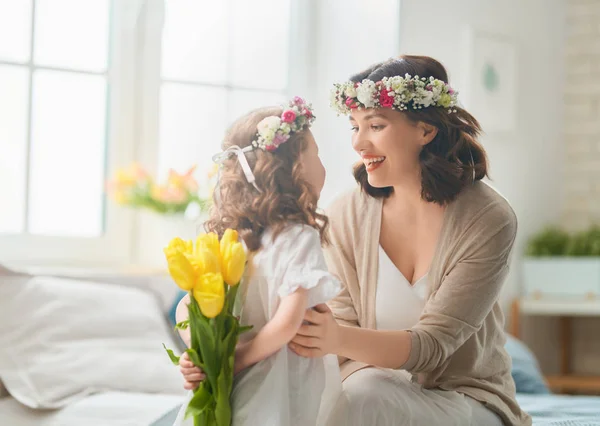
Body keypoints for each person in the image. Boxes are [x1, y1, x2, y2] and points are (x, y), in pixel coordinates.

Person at [288, 55, 531, 426]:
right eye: (354, 127)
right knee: (361, 393)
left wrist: (334, 337)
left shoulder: (488, 219)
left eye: (376, 125)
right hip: (369, 392)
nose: (359, 143)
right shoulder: (346, 215)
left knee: (366, 398)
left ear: (425, 131)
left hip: (464, 400)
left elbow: (433, 346)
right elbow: (339, 347)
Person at [173, 97, 346, 426]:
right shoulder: (297, 236)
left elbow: (187, 308)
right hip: (275, 378)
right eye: (317, 153)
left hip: (235, 370)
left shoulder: (231, 237)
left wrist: (205, 354)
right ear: (294, 167)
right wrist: (226, 360)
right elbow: (287, 322)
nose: (323, 164)